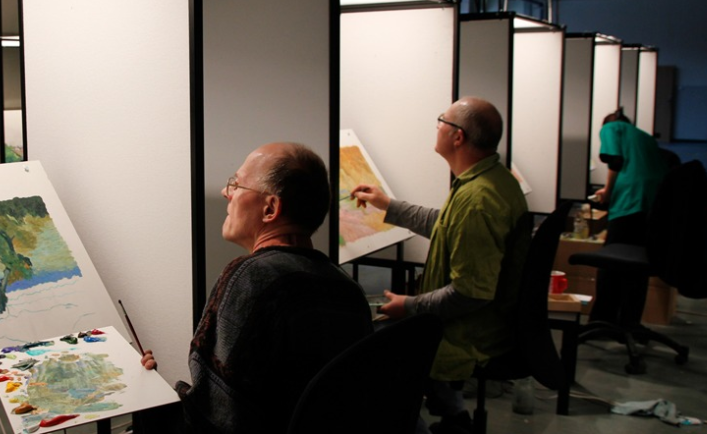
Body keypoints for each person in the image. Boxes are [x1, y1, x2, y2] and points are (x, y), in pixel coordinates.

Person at [139, 142, 373, 434]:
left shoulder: (252, 278)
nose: (226, 192)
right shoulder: (349, 290)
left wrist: (150, 399)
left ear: (270, 208)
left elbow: (212, 419)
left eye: (236, 184)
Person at [350, 97, 530, 434]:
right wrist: (387, 204)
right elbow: (447, 224)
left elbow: (470, 293)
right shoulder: (489, 180)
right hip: (481, 320)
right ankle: (454, 416)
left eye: (441, 121)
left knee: (371, 344)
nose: (436, 126)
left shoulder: (478, 200)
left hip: (469, 332)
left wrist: (410, 306)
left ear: (457, 136)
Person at [589, 110, 667, 328]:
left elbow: (615, 161)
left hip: (630, 200)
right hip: (653, 205)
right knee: (637, 265)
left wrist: (607, 191)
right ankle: (630, 322)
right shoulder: (645, 138)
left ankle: (602, 321)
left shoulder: (612, 127)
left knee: (610, 262)